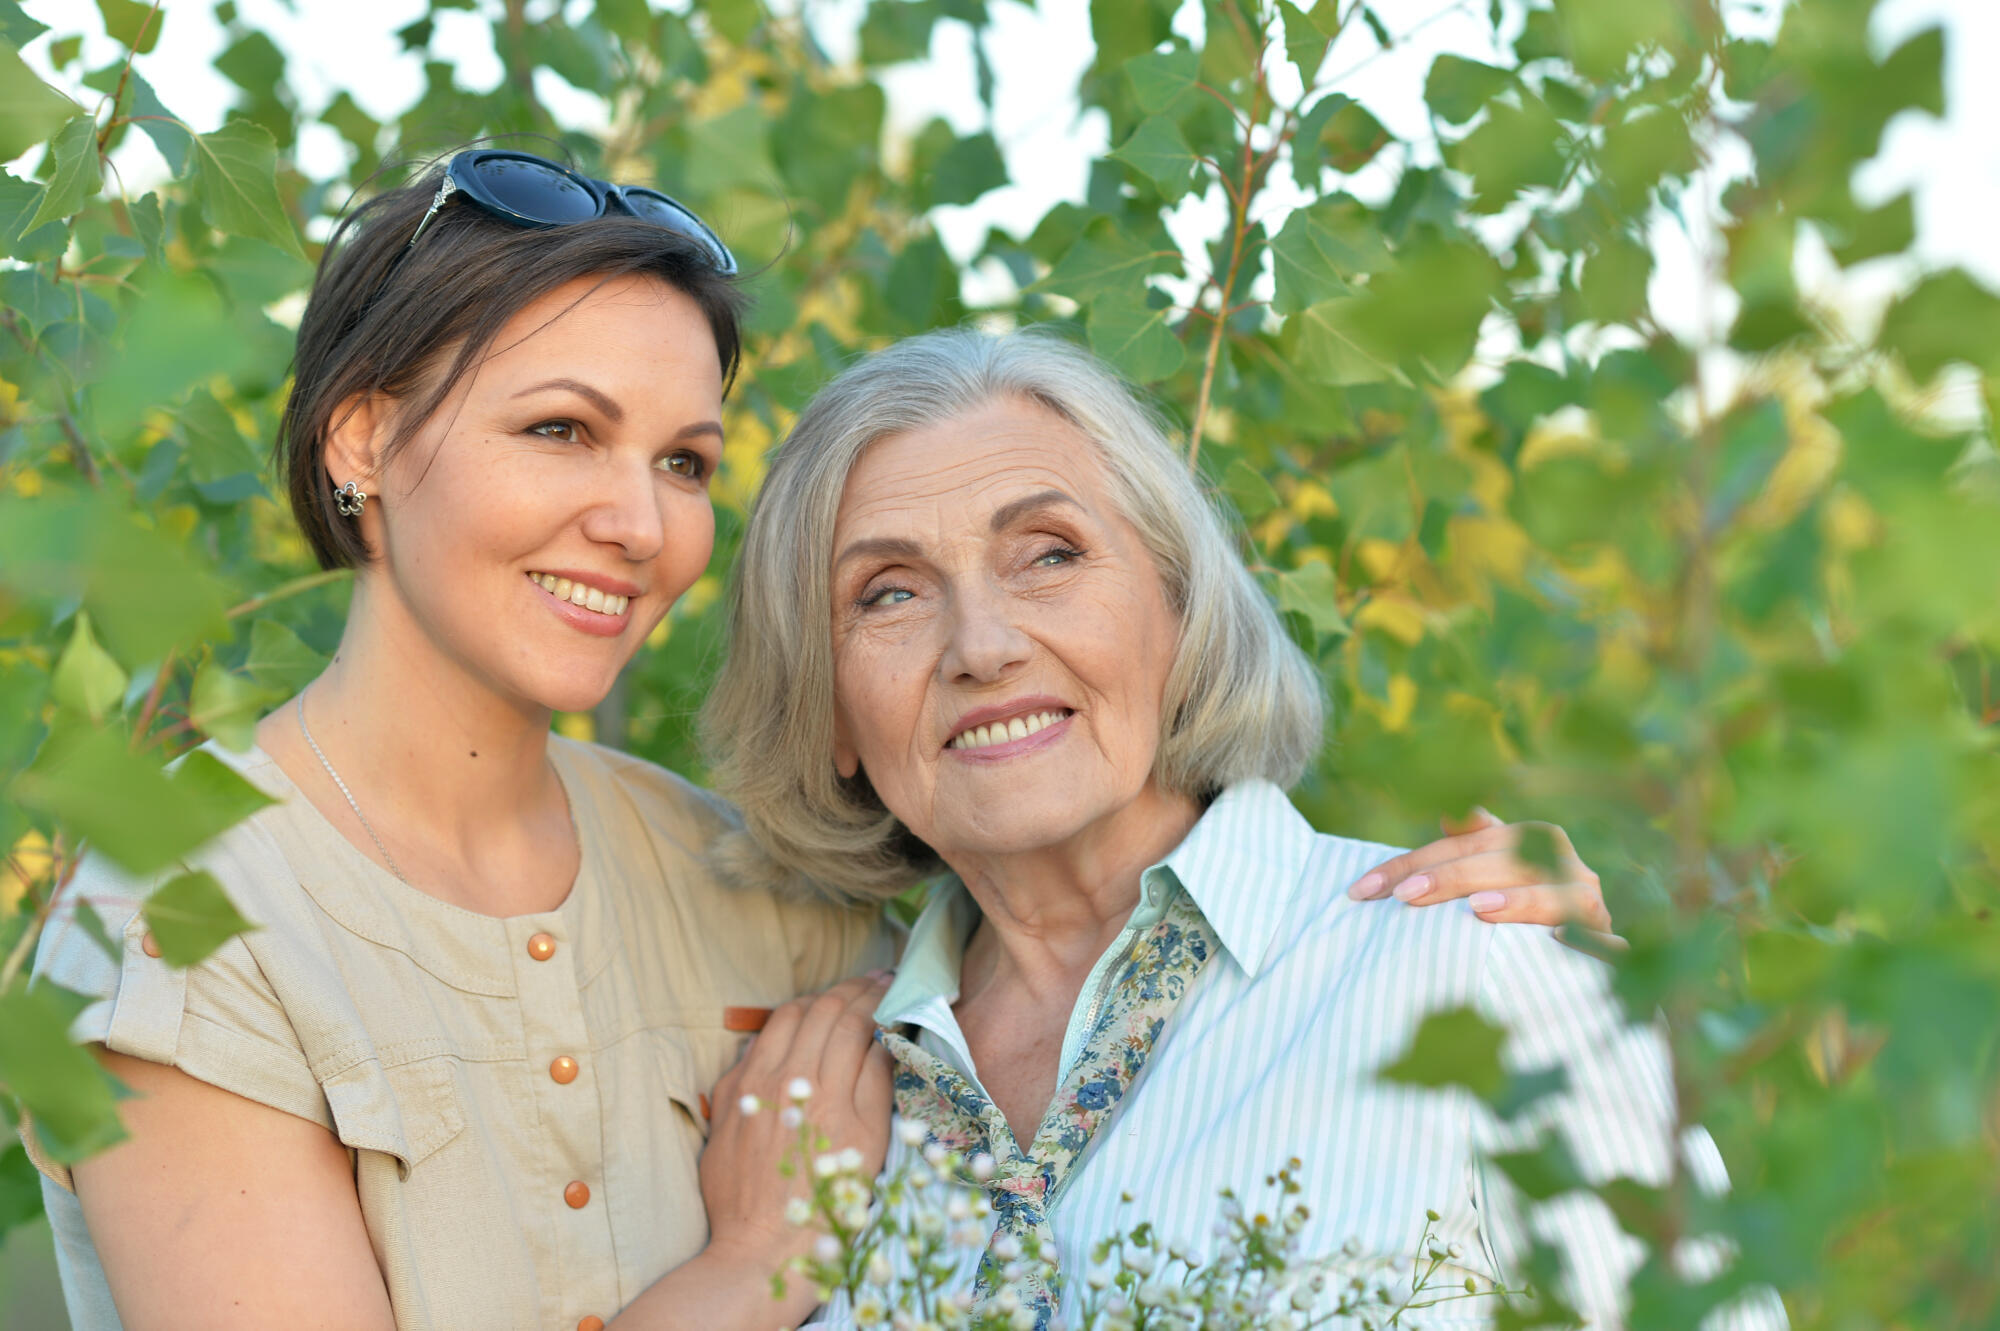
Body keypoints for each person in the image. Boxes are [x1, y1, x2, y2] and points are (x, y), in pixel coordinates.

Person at [24, 150, 1607, 1331]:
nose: (633, 518)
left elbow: (1065, 897)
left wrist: (1525, 961)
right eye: (559, 429)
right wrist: (752, 1268)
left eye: (688, 459)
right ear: (363, 437)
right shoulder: (179, 900)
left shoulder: (752, 891)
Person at [700, 329, 1782, 1329]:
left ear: (1176, 604)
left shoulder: (1477, 966)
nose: (979, 644)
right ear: (827, 708)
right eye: (887, 593)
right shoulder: (816, 1125)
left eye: (1048, 554)